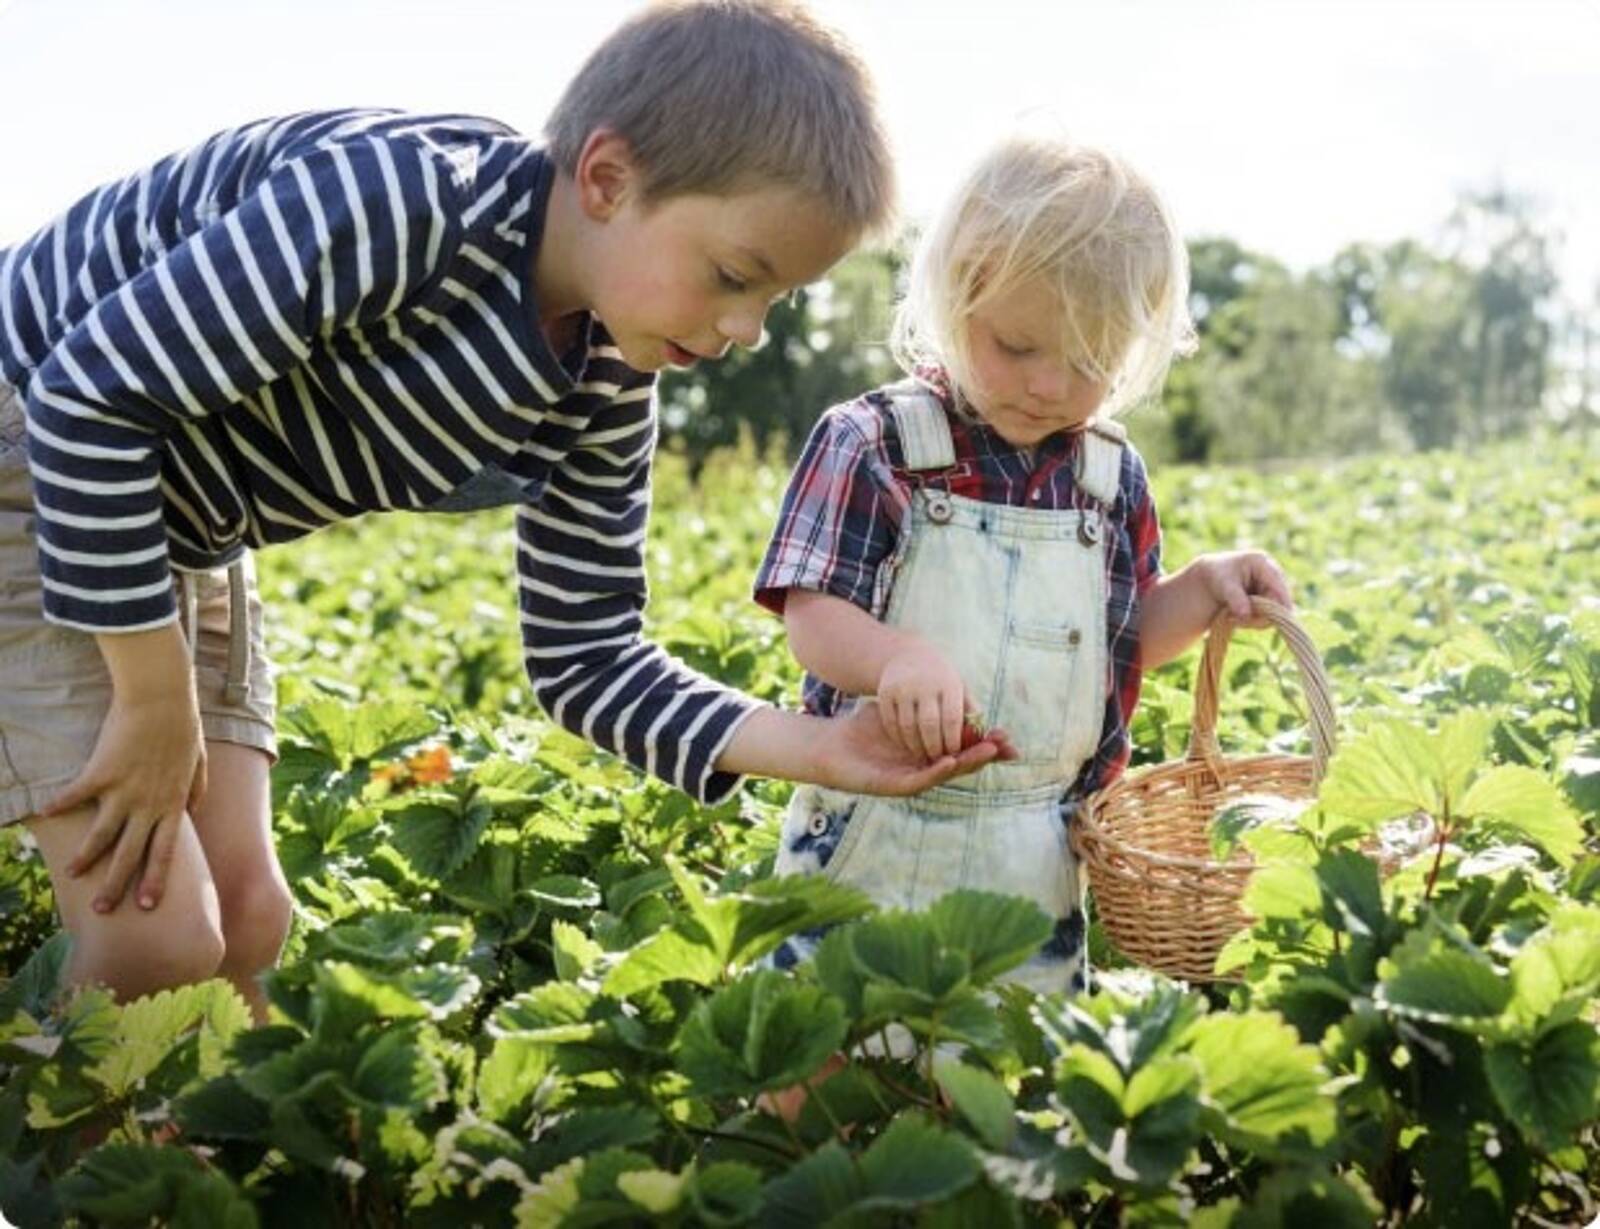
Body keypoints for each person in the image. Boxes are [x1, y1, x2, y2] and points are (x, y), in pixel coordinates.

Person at [0, 1, 1003, 1021]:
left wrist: (817, 746)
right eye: (733, 276)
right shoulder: (403, 202)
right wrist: (154, 696)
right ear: (608, 179)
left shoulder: (608, 374)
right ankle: (57, 1169)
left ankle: (204, 1163)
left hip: (184, 520)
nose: (744, 328)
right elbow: (89, 396)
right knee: (154, 935)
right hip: (34, 446)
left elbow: (588, 653)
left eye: (774, 299)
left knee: (250, 919)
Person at [755, 134, 1293, 993]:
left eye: (1088, 362)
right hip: (874, 829)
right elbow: (812, 617)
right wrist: (895, 657)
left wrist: (1201, 591)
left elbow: (1114, 646)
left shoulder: (1109, 481)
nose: (1047, 385)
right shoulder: (876, 443)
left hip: (1033, 854)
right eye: (1016, 344)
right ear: (954, 292)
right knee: (826, 1053)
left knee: (1007, 1088)